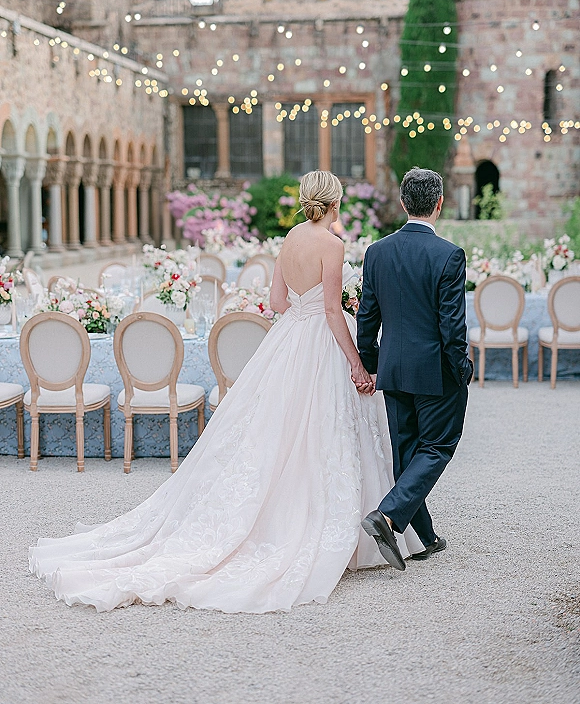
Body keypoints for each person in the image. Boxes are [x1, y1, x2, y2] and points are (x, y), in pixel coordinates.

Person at [29, 170, 423, 614]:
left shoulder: (290, 238)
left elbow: (276, 303)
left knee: (274, 430)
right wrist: (356, 362)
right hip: (319, 343)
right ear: (335, 202)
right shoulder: (332, 244)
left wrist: (305, 304)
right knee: (325, 430)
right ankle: (346, 527)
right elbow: (332, 311)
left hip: (288, 339)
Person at [357, 167, 472, 571]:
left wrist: (370, 366)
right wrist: (464, 369)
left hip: (393, 369)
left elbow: (367, 318)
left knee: (407, 455)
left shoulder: (376, 252)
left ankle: (425, 538)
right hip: (436, 372)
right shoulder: (448, 254)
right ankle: (387, 515)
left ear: (403, 203)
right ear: (439, 204)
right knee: (437, 447)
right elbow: (452, 326)